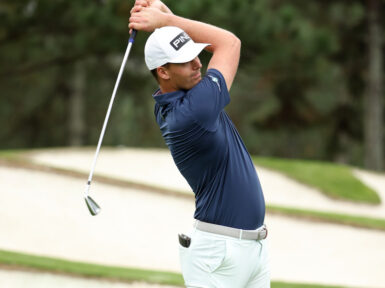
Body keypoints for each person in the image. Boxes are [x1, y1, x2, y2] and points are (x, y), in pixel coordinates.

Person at [129, 1, 270, 287]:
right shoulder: (194, 111)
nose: (197, 64)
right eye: (185, 60)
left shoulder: (175, 100)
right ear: (163, 72)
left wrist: (166, 21)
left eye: (195, 53)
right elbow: (229, 43)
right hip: (219, 254)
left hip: (249, 248)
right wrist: (167, 22)